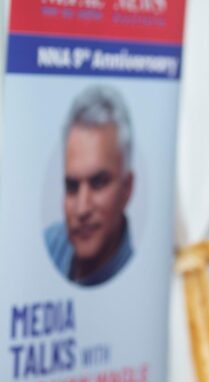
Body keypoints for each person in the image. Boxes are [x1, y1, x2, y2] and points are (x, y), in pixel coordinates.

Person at [45, 85, 134, 286]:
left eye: (98, 183)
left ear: (127, 188)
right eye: (72, 186)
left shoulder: (142, 280)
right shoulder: (48, 244)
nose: (82, 209)